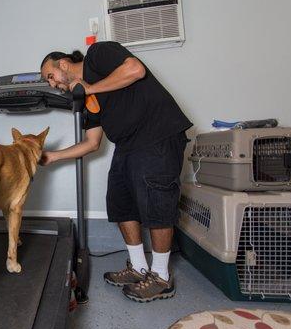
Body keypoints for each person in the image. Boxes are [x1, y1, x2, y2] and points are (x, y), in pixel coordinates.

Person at [39, 41, 192, 302]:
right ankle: (138, 267)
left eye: (50, 77)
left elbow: (135, 69)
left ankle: (161, 277)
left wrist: (91, 87)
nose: (53, 85)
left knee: (157, 203)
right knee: (120, 203)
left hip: (157, 134)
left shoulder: (98, 55)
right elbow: (92, 142)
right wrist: (53, 156)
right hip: (127, 144)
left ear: (63, 64)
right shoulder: (89, 100)